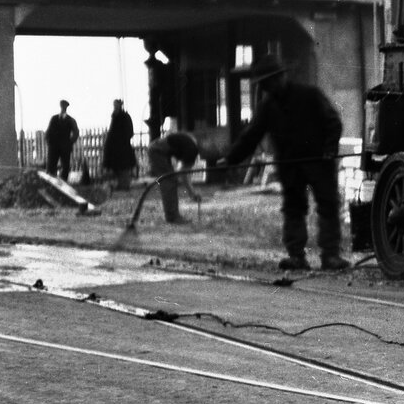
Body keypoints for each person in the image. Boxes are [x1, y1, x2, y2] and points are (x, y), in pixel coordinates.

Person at [216, 56, 350, 271]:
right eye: (264, 84)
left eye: (270, 81)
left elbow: (333, 121)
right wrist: (231, 158)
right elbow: (251, 136)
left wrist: (329, 149)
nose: (268, 87)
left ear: (281, 77)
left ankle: (331, 256)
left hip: (319, 161)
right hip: (290, 165)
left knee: (328, 205)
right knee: (293, 209)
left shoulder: (310, 95)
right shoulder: (267, 106)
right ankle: (297, 256)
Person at [146, 130, 211, 224]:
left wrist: (191, 191)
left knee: (170, 180)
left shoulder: (191, 142)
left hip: (157, 148)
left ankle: (173, 216)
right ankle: (173, 217)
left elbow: (183, 171)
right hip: (157, 151)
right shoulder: (192, 149)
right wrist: (192, 192)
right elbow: (183, 173)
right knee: (169, 181)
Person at [103, 99, 139, 190]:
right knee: (116, 166)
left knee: (124, 166)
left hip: (123, 146)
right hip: (114, 147)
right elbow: (112, 131)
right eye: (114, 105)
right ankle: (120, 184)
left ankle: (125, 185)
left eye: (116, 105)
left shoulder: (125, 116)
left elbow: (130, 131)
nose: (115, 107)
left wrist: (122, 139)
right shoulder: (114, 116)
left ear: (120, 105)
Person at [44, 100, 78, 180]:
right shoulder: (54, 118)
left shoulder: (70, 120)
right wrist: (49, 142)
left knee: (65, 166)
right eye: (62, 106)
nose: (63, 108)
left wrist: (70, 142)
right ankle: (51, 182)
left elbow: (76, 132)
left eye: (64, 107)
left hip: (65, 147)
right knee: (51, 165)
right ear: (60, 107)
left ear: (66, 107)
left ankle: (64, 184)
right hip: (54, 147)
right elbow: (48, 131)